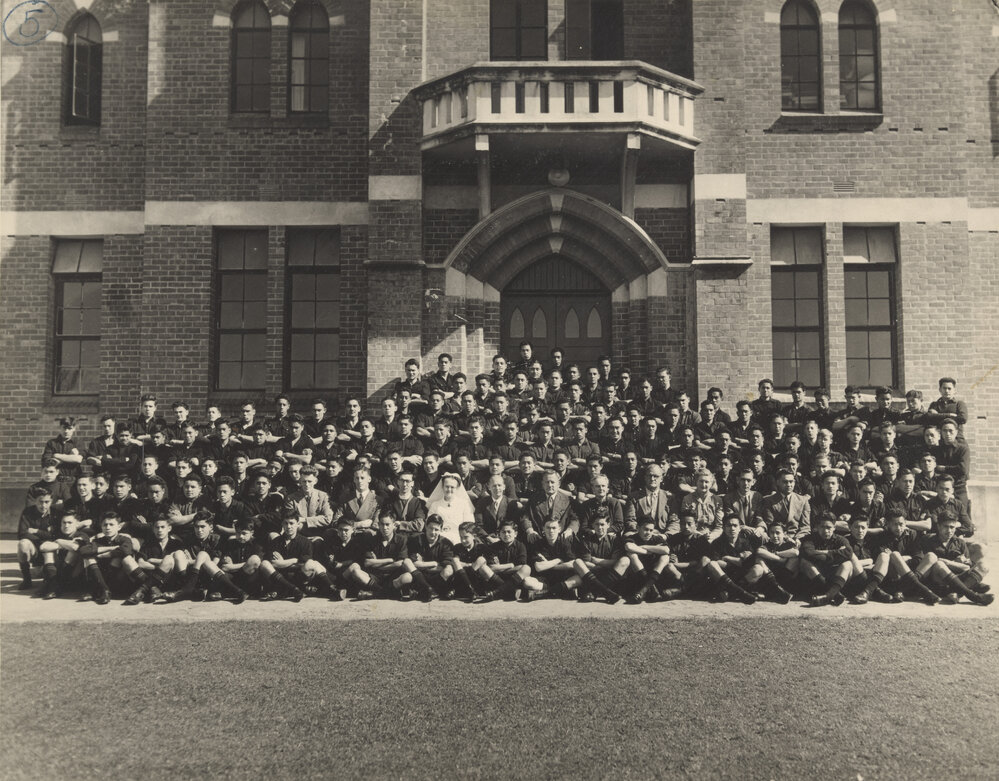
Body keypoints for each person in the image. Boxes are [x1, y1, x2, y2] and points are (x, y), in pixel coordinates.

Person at [165, 512, 248, 603]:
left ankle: (188, 590)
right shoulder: (189, 538)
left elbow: (214, 562)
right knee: (178, 553)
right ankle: (188, 589)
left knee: (202, 555)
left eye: (202, 527)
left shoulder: (217, 539)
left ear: (210, 527)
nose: (199, 530)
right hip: (192, 575)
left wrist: (197, 561)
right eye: (196, 526)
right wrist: (196, 562)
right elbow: (185, 560)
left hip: (211, 576)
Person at [799, 513, 855, 606]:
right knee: (804, 562)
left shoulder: (841, 539)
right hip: (816, 576)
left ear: (834, 527)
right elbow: (808, 553)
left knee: (848, 564)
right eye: (822, 527)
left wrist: (824, 552)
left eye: (829, 527)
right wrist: (836, 554)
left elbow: (848, 553)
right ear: (817, 527)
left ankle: (828, 596)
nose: (825, 530)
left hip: (835, 575)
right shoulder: (810, 539)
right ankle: (834, 594)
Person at [407, 514, 456, 600]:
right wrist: (434, 563)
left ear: (441, 529)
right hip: (420, 577)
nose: (433, 532)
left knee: (449, 570)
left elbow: (446, 566)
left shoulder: (446, 543)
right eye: (430, 528)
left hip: (438, 577)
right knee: (408, 565)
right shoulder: (416, 540)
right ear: (425, 526)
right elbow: (413, 563)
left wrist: (422, 565)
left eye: (436, 529)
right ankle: (429, 590)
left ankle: (428, 591)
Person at [17, 486, 56, 590]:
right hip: (36, 548)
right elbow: (22, 533)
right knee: (23, 544)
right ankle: (27, 579)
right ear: (35, 500)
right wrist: (44, 537)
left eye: (47, 502)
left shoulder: (56, 513)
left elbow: (56, 535)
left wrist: (36, 531)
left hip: (51, 551)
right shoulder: (27, 512)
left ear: (51, 501)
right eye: (40, 501)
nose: (43, 505)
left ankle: (50, 579)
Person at [426, 472, 476, 545]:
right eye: (447, 486)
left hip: (459, 540)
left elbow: (469, 525)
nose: (449, 489)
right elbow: (430, 525)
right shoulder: (435, 505)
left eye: (452, 487)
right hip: (439, 540)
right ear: (442, 487)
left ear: (457, 488)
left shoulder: (464, 504)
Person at [42, 417, 84, 483]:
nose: (66, 431)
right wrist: (71, 457)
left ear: (74, 429)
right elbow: (47, 462)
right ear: (60, 428)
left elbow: (78, 459)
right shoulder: (52, 443)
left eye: (69, 428)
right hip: (56, 481)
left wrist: (56, 455)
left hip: (74, 481)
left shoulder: (78, 442)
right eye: (64, 428)